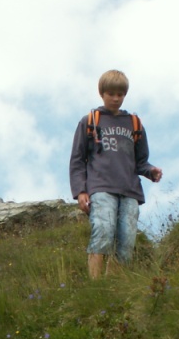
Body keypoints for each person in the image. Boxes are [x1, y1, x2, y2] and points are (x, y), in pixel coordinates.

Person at [69, 69, 163, 277]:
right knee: (103, 231)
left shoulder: (134, 124)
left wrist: (151, 171)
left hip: (130, 190)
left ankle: (114, 284)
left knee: (127, 241)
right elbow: (77, 159)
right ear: (102, 93)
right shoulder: (90, 121)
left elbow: (141, 161)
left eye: (120, 94)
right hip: (101, 187)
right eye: (111, 94)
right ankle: (95, 284)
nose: (115, 98)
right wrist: (80, 191)